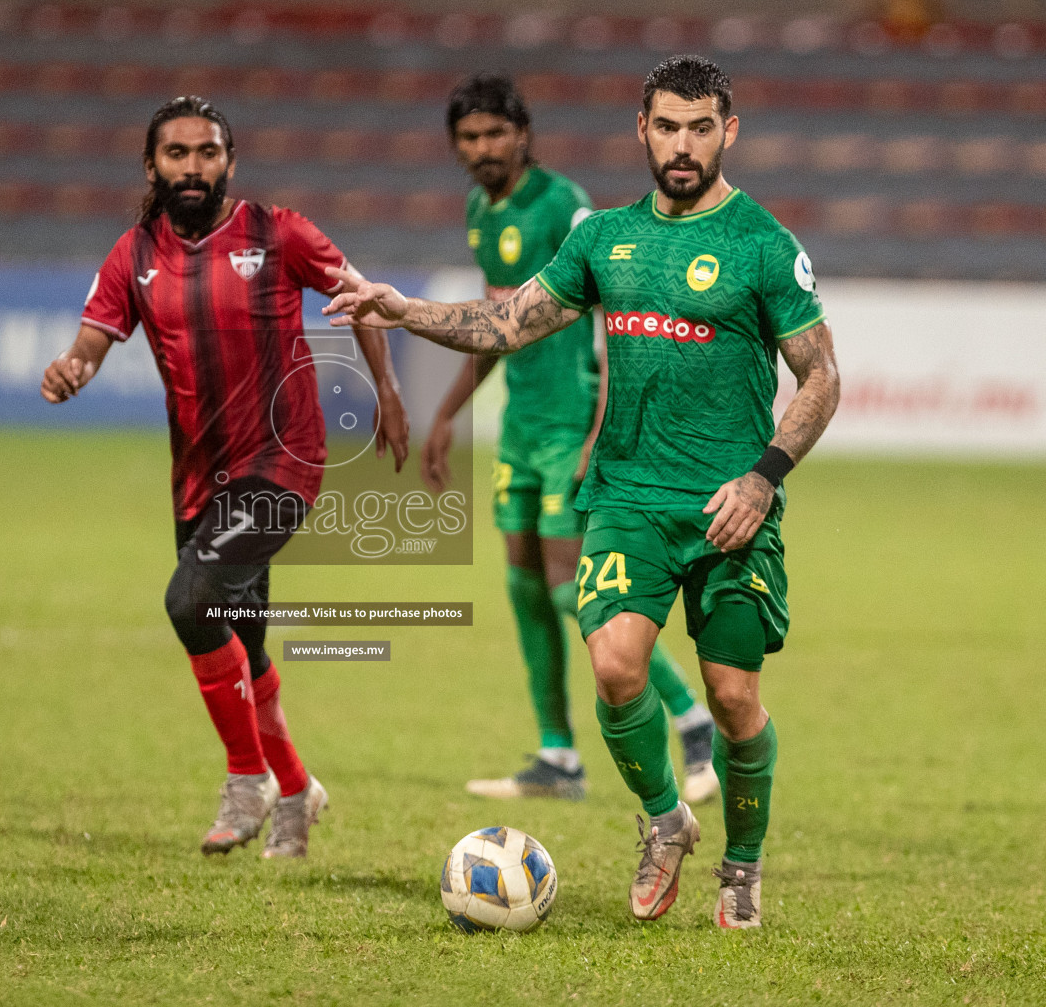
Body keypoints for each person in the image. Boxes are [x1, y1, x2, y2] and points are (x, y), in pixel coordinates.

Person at [324, 56, 840, 930]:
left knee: (734, 699)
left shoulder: (762, 243)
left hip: (730, 507)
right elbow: (507, 321)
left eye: (701, 127)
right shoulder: (602, 238)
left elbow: (821, 374)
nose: (683, 145)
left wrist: (764, 475)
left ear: (729, 132)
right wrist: (402, 308)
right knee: (612, 665)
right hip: (627, 495)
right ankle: (666, 820)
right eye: (667, 127)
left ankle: (742, 865)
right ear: (641, 129)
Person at [42, 96, 410, 858]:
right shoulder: (132, 255)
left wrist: (390, 392)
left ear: (228, 162)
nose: (192, 167)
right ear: (152, 166)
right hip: (199, 481)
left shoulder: (279, 232)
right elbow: (90, 341)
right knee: (244, 644)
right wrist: (72, 370)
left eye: (206, 152)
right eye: (176, 154)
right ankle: (298, 789)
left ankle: (248, 779)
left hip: (282, 463)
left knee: (190, 599)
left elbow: (366, 303)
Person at [427, 73, 717, 805]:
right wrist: (447, 412)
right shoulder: (479, 211)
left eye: (496, 133)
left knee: (568, 586)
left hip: (572, 423)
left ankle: (692, 720)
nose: (485, 148)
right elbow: (504, 324)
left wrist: (599, 429)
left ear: (523, 133)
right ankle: (558, 757)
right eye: (470, 137)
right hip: (521, 426)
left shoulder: (565, 206)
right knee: (523, 582)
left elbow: (616, 323)